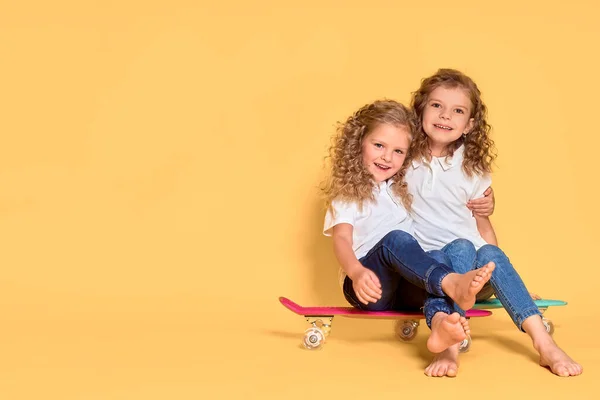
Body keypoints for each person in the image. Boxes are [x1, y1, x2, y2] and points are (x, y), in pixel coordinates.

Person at [406, 68, 582, 377]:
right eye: (436, 106)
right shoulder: (404, 159)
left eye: (457, 111)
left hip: (476, 279)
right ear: (421, 110)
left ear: (469, 125)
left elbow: (483, 227)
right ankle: (450, 344)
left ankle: (545, 344)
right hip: (432, 273)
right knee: (458, 247)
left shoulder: (472, 168)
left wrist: (502, 277)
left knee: (483, 252)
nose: (445, 116)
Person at [321, 99, 495, 358]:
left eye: (399, 151)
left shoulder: (401, 188)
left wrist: (487, 200)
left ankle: (440, 327)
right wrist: (356, 272)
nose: (387, 157)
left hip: (407, 286)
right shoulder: (349, 194)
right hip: (369, 286)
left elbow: (446, 193)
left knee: (435, 255)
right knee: (397, 239)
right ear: (358, 143)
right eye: (379, 145)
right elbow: (342, 239)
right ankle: (452, 282)